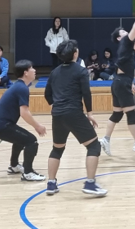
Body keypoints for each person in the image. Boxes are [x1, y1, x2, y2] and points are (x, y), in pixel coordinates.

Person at [44, 40, 107, 196]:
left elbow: (47, 94)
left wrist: (56, 105)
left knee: (57, 149)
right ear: (75, 53)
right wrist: (90, 113)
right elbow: (86, 93)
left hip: (57, 115)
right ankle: (90, 184)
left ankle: (51, 183)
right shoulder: (81, 71)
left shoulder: (55, 72)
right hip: (73, 113)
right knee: (94, 146)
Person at [98, 4, 135, 156]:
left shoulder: (126, 49)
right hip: (122, 83)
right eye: (123, 32)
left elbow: (126, 67)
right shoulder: (125, 42)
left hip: (118, 82)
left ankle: (105, 140)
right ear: (119, 37)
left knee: (117, 114)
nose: (127, 32)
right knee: (131, 114)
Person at [0, 59, 47, 181]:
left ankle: (14, 166)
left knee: (21, 139)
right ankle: (28, 173)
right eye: (32, 68)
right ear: (25, 72)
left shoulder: (19, 86)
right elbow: (24, 113)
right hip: (1, 126)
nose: (34, 70)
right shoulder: (22, 88)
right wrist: (37, 126)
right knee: (31, 141)